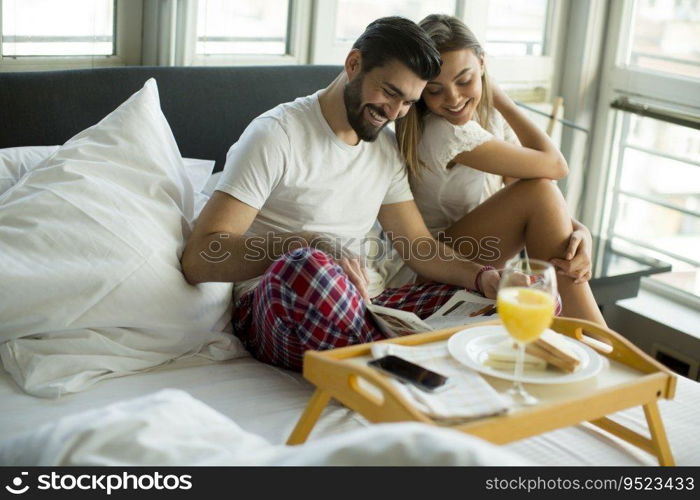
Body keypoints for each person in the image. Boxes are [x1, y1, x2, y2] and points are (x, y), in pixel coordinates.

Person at [181, 17, 507, 372]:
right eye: (389, 92)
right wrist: (307, 242)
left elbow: (420, 247)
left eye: (409, 103)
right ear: (354, 65)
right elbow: (200, 256)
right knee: (309, 266)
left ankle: (387, 353)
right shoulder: (277, 135)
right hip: (283, 304)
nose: (394, 112)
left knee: (507, 301)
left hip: (369, 305)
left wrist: (483, 276)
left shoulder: (385, 146)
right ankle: (407, 354)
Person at [394, 14, 605, 325]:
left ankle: (592, 338)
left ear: (482, 62)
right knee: (542, 189)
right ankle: (599, 338)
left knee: (542, 192)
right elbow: (556, 166)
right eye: (435, 90)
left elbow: (520, 187)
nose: (452, 98)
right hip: (437, 263)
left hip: (480, 252)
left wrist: (579, 231)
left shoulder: (484, 116)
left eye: (464, 80)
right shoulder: (444, 132)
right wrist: (501, 97)